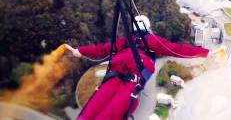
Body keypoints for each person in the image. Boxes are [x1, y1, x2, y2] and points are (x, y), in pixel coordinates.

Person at [66, 15, 216, 120]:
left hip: (113, 75)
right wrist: (205, 53)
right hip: (132, 80)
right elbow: (176, 48)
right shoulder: (150, 40)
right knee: (110, 114)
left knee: (90, 112)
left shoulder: (126, 41)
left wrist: (80, 51)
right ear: (148, 28)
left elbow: (104, 48)